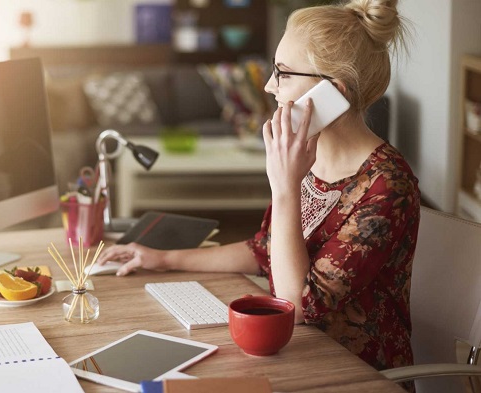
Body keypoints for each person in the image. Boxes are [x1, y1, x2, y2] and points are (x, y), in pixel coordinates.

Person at [97, 0, 420, 376]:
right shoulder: (306, 157)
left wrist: (284, 186)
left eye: (283, 74)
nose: (269, 87)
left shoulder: (387, 185)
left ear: (335, 93)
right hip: (293, 355)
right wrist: (163, 259)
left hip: (350, 373)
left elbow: (296, 306)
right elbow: (264, 250)